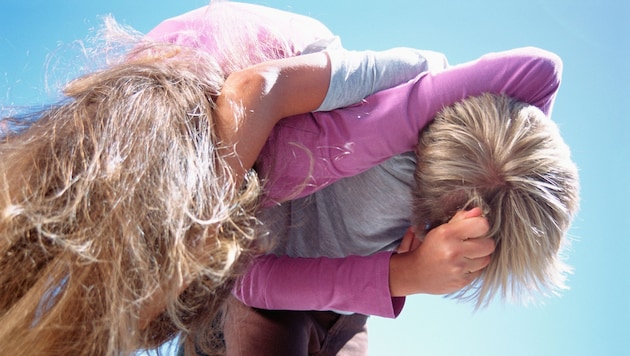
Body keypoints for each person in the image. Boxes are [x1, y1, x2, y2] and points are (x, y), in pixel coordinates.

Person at [0, 2, 567, 356]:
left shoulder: (433, 197)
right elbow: (253, 282)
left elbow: (543, 73)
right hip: (260, 260)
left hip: (331, 287)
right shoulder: (390, 105)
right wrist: (408, 272)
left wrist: (407, 271)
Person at [226, 78, 578, 354]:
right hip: (270, 277)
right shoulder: (391, 134)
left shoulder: (471, 189)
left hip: (345, 316)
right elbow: (251, 282)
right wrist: (407, 275)